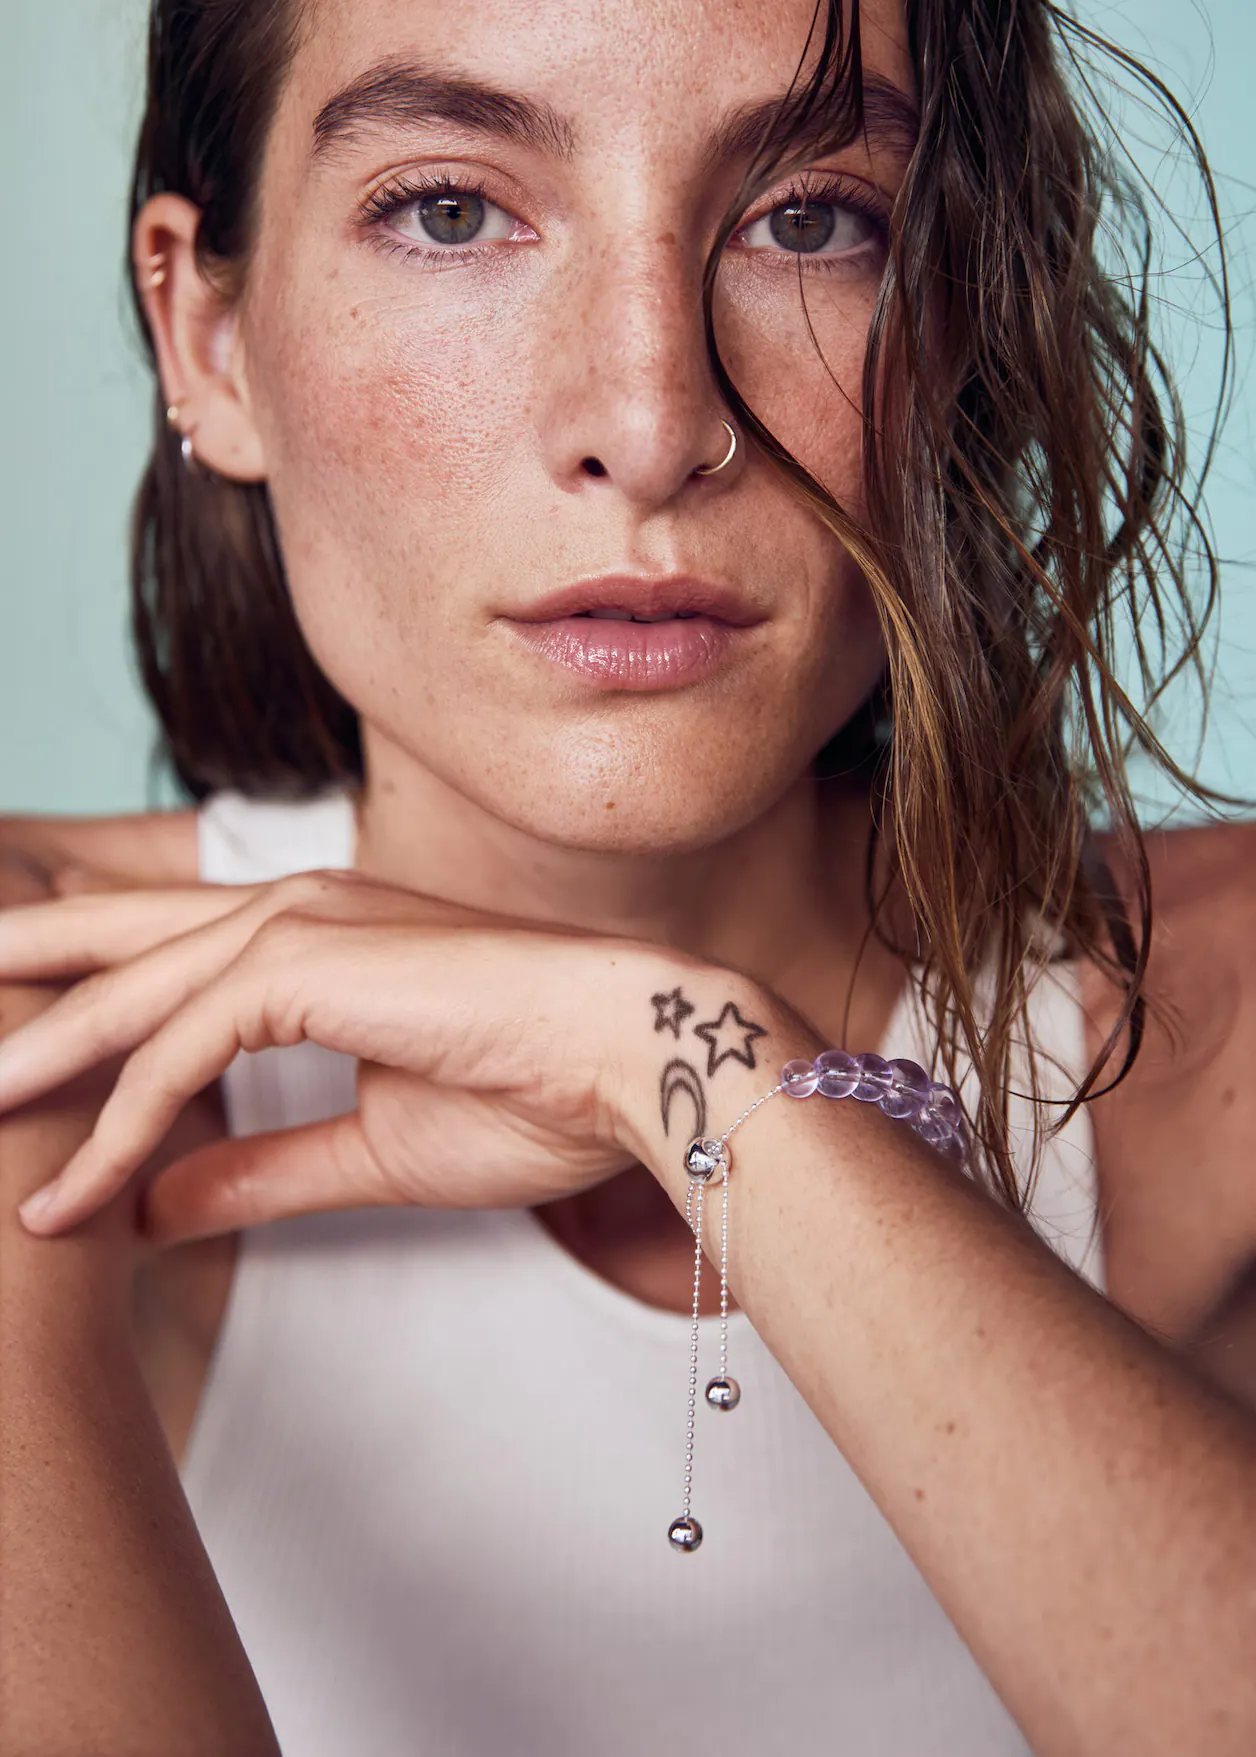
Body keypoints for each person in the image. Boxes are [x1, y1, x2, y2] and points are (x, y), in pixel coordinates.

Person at [1, 0, 1254, 1750]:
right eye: (451, 211)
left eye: (809, 219)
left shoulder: (1219, 1029)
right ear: (206, 337)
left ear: (953, 327)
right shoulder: (45, 1005)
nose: (651, 419)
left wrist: (689, 1070)